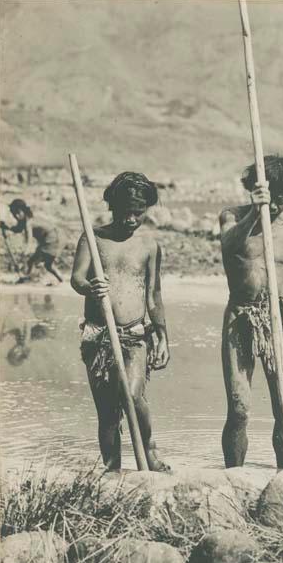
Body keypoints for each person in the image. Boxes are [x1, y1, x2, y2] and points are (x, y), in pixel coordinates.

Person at [219, 155, 283, 469]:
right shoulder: (233, 218)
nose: (275, 205)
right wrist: (255, 212)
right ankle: (233, 477)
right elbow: (229, 246)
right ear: (255, 189)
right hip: (241, 320)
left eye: (282, 199)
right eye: (270, 197)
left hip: (279, 322)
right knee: (239, 409)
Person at [71, 172, 170, 472]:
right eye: (126, 213)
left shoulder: (149, 245)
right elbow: (76, 278)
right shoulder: (93, 237)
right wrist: (90, 287)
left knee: (132, 393)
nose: (131, 219)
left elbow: (153, 295)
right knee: (107, 412)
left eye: (138, 213)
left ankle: (149, 450)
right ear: (113, 207)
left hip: (136, 334)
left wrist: (163, 336)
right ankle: (112, 470)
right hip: (98, 335)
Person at [0, 199, 64, 283]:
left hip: (51, 239)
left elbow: (28, 240)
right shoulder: (24, 221)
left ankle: (29, 279)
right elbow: (18, 229)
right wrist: (6, 227)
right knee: (48, 265)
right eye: (13, 215)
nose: (15, 217)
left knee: (32, 262)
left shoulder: (28, 223)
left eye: (15, 214)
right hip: (53, 238)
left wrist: (24, 254)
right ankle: (61, 280)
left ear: (21, 212)